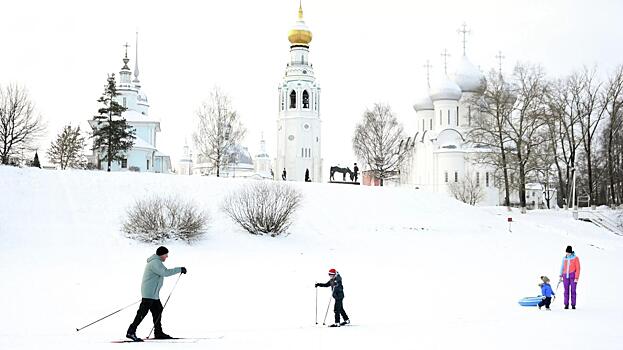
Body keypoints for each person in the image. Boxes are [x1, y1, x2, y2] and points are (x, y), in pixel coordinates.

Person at [126, 246, 187, 342]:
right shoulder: (155, 262)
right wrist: (179, 269)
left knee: (158, 310)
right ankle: (131, 331)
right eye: (166, 254)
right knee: (142, 312)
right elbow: (165, 272)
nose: (167, 256)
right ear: (161, 254)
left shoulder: (157, 262)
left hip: (154, 294)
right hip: (149, 293)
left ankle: (158, 332)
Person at [559, 245, 580, 309]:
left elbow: (578, 268)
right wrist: (560, 275)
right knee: (566, 291)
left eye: (568, 252)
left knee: (573, 291)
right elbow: (562, 267)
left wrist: (576, 277)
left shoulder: (575, 258)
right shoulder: (564, 258)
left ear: (571, 252)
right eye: (566, 252)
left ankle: (573, 305)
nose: (567, 253)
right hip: (565, 276)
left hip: (573, 276)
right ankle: (566, 304)